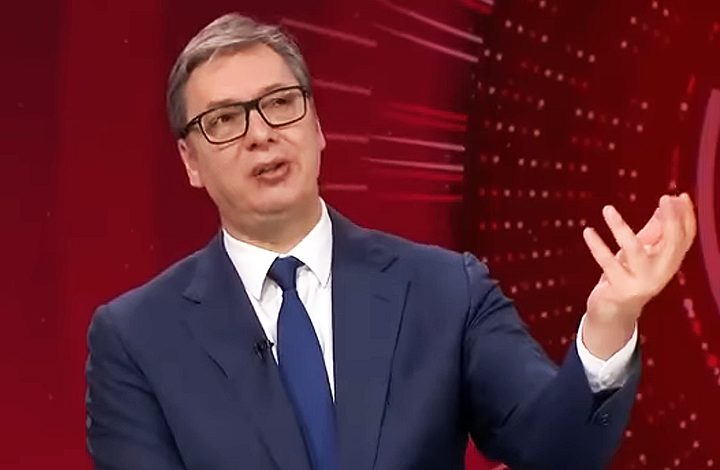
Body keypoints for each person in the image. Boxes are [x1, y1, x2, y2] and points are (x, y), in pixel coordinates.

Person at [85, 12, 697, 470]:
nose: (261, 134)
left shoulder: (446, 291)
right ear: (190, 161)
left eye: (281, 103)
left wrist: (610, 323)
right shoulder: (136, 338)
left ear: (318, 125)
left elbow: (555, 449)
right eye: (224, 120)